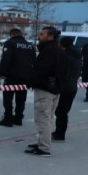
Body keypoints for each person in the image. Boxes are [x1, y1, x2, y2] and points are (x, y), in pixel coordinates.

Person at [26, 26, 67, 157]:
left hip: (45, 89)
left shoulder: (49, 50)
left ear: (51, 36)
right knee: (48, 118)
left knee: (42, 118)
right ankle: (41, 143)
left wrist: (31, 81)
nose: (39, 36)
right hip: (55, 89)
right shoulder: (59, 49)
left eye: (42, 34)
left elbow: (41, 70)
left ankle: (44, 148)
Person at [0, 28, 36, 126]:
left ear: (11, 34)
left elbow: (5, 60)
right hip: (26, 76)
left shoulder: (10, 43)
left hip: (12, 75)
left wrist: (0, 73)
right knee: (21, 98)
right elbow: (34, 61)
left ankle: (7, 118)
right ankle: (18, 118)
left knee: (8, 97)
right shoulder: (30, 45)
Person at [52, 36, 82, 142]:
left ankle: (59, 134)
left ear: (62, 44)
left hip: (64, 87)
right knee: (63, 112)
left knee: (60, 112)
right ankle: (59, 132)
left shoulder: (66, 56)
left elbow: (62, 72)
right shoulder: (77, 54)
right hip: (72, 87)